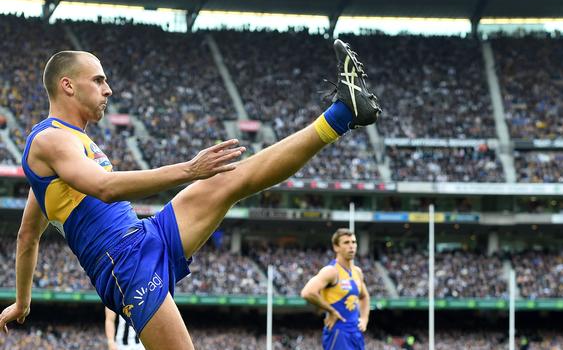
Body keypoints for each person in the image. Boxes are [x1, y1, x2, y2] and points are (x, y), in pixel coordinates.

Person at [0, 39, 380, 350]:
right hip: (124, 265)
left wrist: (23, 301)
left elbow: (29, 234)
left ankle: (342, 113)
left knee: (233, 179)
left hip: (144, 236)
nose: (108, 89)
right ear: (68, 85)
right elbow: (105, 188)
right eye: (99, 80)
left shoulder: (71, 146)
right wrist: (188, 170)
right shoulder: (49, 139)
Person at [301, 228, 371, 350]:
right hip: (338, 331)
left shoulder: (357, 272)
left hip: (355, 331)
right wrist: (331, 311)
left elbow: (364, 296)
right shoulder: (331, 271)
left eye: (353, 242)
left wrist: (364, 318)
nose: (351, 246)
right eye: (346, 242)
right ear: (336, 247)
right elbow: (307, 292)